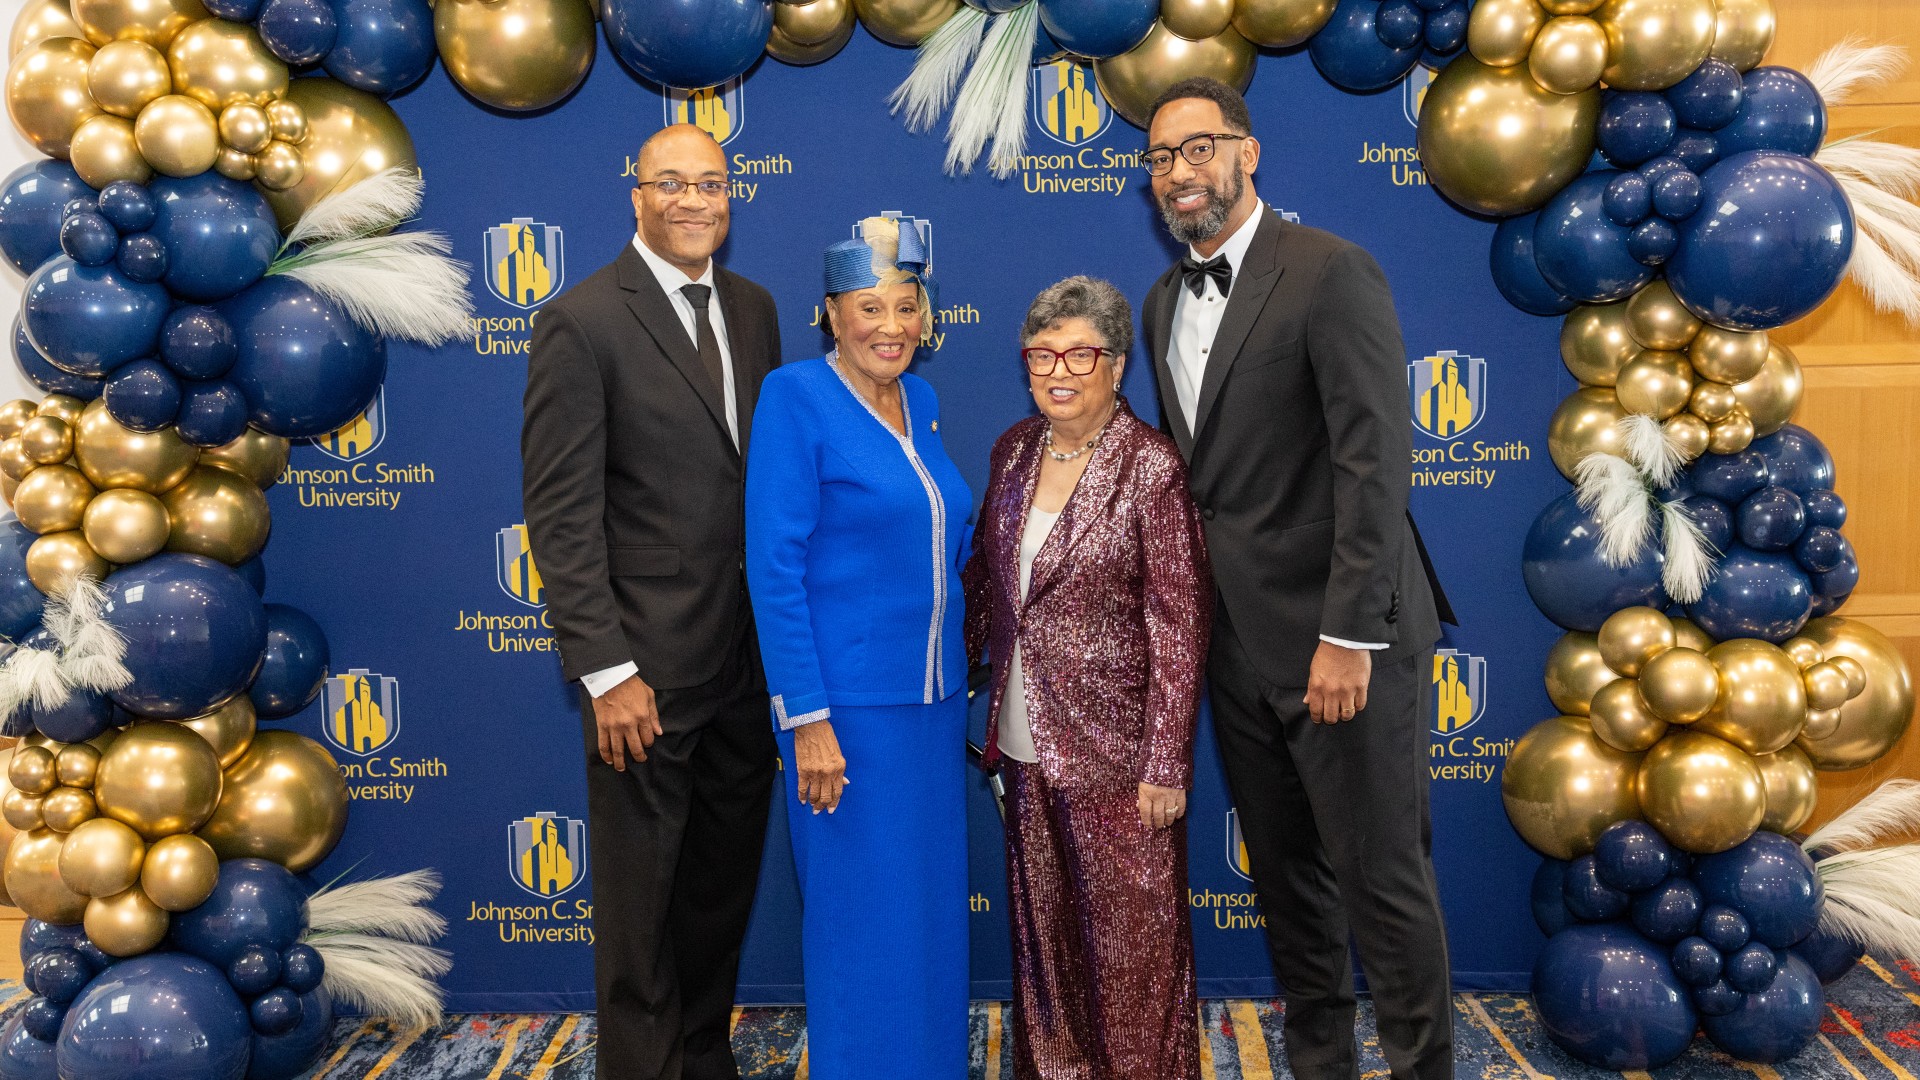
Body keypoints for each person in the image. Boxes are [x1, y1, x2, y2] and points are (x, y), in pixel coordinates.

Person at [1139, 78, 1458, 1080]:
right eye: (1161, 158)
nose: (1180, 172)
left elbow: (1375, 462)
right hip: (1236, 647)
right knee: (1287, 885)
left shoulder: (1329, 269)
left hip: (1340, 639)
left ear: (1249, 151)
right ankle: (1322, 1065)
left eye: (1199, 147)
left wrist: (1349, 635)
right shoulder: (1161, 302)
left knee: (1383, 884)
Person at [521, 124, 780, 1080]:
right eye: (671, 183)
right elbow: (561, 515)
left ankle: (703, 1056)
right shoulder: (581, 320)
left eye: (710, 183)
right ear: (636, 196)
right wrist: (606, 670)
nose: (693, 201)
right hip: (645, 672)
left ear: (730, 195)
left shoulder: (753, 308)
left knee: (718, 887)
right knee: (640, 907)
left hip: (747, 660)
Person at [964, 276, 1211, 1079]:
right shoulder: (1013, 449)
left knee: (1132, 960)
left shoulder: (1151, 467)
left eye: (1079, 354)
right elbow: (986, 584)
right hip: (1021, 742)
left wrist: (1165, 762)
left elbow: (1178, 624)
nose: (1058, 372)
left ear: (1116, 364)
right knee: (1045, 952)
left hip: (1119, 757)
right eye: (1042, 355)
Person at [744, 215, 971, 1079]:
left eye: (906, 306)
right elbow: (774, 568)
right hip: (846, 718)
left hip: (933, 711)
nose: (890, 326)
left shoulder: (925, 401)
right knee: (860, 927)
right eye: (869, 307)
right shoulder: (795, 396)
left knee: (927, 921)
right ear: (831, 315)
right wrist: (806, 719)